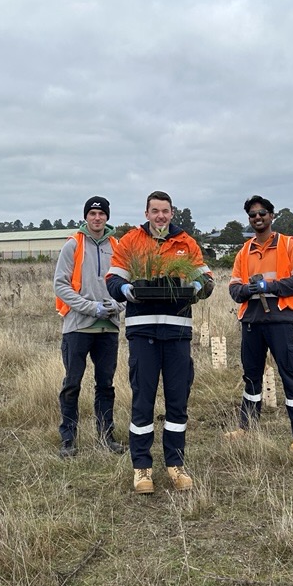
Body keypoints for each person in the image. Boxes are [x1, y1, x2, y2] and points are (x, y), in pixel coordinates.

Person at [106, 190, 214, 494]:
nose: (160, 216)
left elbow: (208, 279)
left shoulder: (186, 243)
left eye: (165, 211)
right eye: (155, 211)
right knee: (143, 401)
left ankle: (175, 465)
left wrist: (198, 285)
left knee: (178, 401)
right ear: (146, 214)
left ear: (171, 213)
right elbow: (113, 278)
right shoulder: (130, 242)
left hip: (178, 332)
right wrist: (126, 290)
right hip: (143, 332)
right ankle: (142, 467)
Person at [226, 195, 293, 452]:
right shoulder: (244, 251)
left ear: (271, 215)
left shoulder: (288, 246)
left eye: (262, 213)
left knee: (290, 375)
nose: (257, 218)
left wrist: (270, 286)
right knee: (251, 377)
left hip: (281, 320)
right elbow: (233, 287)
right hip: (252, 321)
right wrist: (246, 290)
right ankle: (247, 427)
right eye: (252, 215)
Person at [53, 196, 125, 458]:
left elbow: (126, 285)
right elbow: (60, 285)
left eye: (101, 214)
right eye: (92, 213)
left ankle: (107, 437)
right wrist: (89, 307)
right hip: (77, 327)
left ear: (107, 217)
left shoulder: (118, 246)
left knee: (105, 385)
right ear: (86, 217)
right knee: (72, 384)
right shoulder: (72, 245)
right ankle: (68, 440)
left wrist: (115, 307)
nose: (97, 218)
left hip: (108, 329)